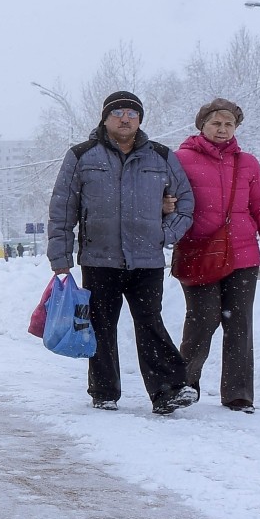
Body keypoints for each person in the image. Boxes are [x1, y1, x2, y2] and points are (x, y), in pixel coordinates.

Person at [47, 90, 199, 415]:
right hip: (99, 259)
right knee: (101, 324)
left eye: (132, 112)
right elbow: (63, 210)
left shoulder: (160, 156)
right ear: (105, 118)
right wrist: (59, 259)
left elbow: (185, 202)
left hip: (147, 261)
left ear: (140, 119)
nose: (125, 118)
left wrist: (164, 233)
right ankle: (104, 391)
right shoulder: (82, 155)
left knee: (149, 322)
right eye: (118, 112)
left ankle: (168, 391)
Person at [174, 98, 260, 415]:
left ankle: (238, 393)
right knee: (202, 320)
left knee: (240, 324)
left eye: (228, 124)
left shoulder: (248, 164)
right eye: (216, 123)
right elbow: (167, 204)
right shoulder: (180, 160)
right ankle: (182, 385)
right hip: (199, 254)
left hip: (243, 256)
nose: (222, 129)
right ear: (202, 125)